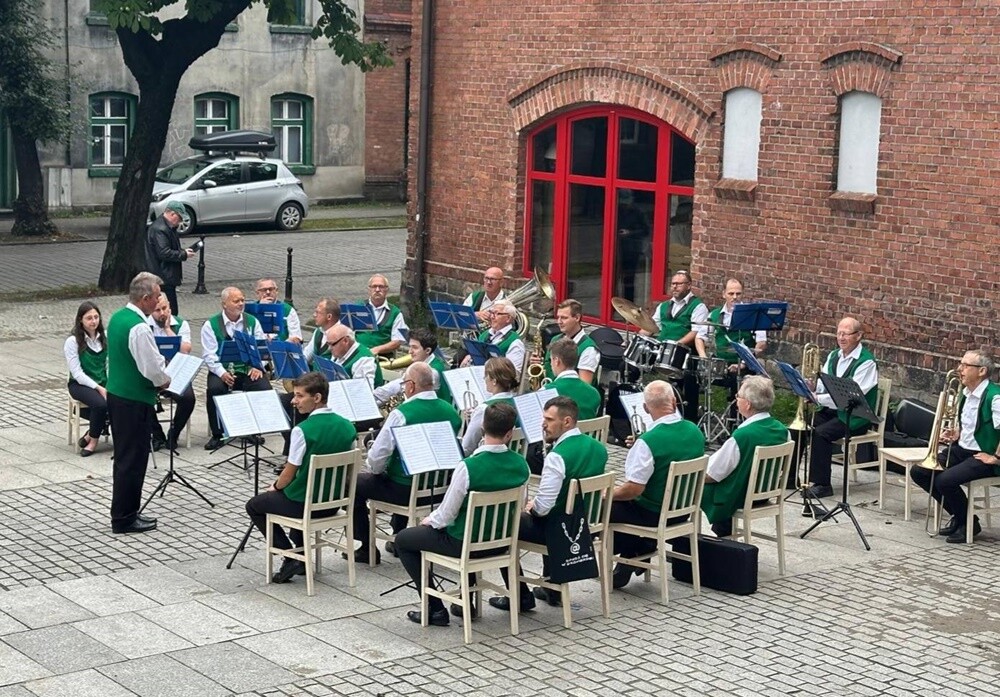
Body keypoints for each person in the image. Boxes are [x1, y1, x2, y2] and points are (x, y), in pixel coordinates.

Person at [395, 402, 530, 626]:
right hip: (502, 544)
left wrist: (430, 520)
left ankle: (434, 609)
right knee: (470, 524)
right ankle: (467, 599)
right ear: (509, 434)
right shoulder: (522, 465)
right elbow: (521, 505)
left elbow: (447, 514)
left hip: (464, 544)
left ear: (482, 429)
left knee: (403, 539)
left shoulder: (468, 467)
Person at [491, 396, 608, 611]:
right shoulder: (598, 448)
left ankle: (519, 595)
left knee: (502, 525)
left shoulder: (558, 456)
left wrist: (532, 508)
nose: (543, 424)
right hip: (587, 525)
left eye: (549, 419)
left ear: (567, 422)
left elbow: (543, 508)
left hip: (561, 531)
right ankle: (551, 587)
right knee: (549, 512)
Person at [245, 372, 357, 582]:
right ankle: (300, 555)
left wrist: (275, 486)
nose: (294, 401)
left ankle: (291, 557)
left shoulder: (302, 430)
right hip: (333, 503)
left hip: (305, 504)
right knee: (286, 497)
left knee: (254, 505)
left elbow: (288, 474)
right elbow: (351, 470)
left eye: (299, 396)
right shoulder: (348, 426)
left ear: (317, 398)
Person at [348, 362, 462, 564]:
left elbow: (376, 460)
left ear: (411, 386)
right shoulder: (451, 412)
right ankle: (398, 536)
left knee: (354, 483)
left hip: (406, 490)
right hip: (441, 490)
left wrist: (375, 463)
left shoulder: (401, 414)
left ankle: (366, 547)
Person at [610, 381, 705, 589]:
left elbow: (634, 489)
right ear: (674, 401)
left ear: (645, 408)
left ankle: (635, 550)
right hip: (682, 511)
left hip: (653, 512)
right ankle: (637, 551)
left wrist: (608, 494)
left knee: (604, 508)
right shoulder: (695, 431)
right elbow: (673, 449)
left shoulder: (648, 441)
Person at [105, 272, 171, 534]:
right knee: (133, 459)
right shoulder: (139, 327)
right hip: (134, 399)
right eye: (156, 296)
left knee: (124, 457)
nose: (159, 301)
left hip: (117, 394)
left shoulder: (118, 317)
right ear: (145, 298)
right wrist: (164, 380)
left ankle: (125, 512)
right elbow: (151, 367)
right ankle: (125, 517)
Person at [911, 350, 1000, 543]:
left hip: (984, 454)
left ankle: (965, 522)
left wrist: (996, 457)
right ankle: (964, 518)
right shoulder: (965, 393)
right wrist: (957, 433)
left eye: (966, 365)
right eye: (961, 364)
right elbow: (972, 424)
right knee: (919, 472)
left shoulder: (995, 397)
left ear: (982, 371)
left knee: (945, 481)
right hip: (962, 448)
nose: (960, 369)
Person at [701, 376, 789, 538]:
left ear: (747, 404)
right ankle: (722, 531)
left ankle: (691, 539)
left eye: (738, 396)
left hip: (740, 495)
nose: (736, 400)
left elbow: (713, 474)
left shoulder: (742, 436)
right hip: (765, 492)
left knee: (690, 486)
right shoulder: (782, 430)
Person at [805, 317, 878, 499]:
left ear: (858, 336)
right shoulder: (833, 356)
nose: (841, 338)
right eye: (838, 333)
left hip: (855, 416)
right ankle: (791, 477)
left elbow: (848, 398)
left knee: (821, 433)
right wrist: (814, 388)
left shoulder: (866, 362)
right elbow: (824, 384)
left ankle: (822, 484)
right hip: (833, 410)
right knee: (801, 426)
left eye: (846, 334)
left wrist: (817, 399)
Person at [201, 287, 272, 451]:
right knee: (214, 389)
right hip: (222, 370)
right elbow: (209, 355)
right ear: (224, 304)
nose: (241, 304)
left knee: (263, 388)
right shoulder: (210, 325)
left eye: (242, 300)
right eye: (236, 301)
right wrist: (222, 373)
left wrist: (257, 366)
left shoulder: (252, 322)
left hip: (248, 369)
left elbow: (262, 348)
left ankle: (253, 430)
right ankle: (217, 434)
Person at [526, 339, 602, 474]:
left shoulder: (546, 391)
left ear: (556, 361)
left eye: (550, 361)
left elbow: (539, 428)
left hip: (559, 452)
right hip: (587, 451)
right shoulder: (594, 393)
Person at [649, 270, 707, 422]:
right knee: (630, 366)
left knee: (688, 380)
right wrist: (638, 336)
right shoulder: (664, 306)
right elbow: (651, 326)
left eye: (679, 284)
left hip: (684, 353)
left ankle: (688, 417)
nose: (674, 287)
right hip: (661, 349)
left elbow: (696, 332)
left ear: (689, 285)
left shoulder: (698, 306)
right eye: (673, 284)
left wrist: (676, 344)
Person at [694, 278, 768, 397]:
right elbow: (699, 337)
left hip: (744, 365)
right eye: (731, 293)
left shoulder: (753, 315)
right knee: (690, 374)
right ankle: (691, 408)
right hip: (720, 364)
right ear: (724, 294)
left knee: (736, 380)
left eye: (738, 294)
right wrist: (703, 357)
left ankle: (736, 408)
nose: (735, 297)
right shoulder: (714, 314)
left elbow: (762, 343)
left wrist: (743, 363)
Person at [147, 293, 196, 453]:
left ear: (169, 307)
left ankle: (173, 434)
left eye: (165, 308)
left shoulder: (181, 324)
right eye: (157, 310)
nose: (162, 313)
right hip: (152, 373)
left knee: (188, 398)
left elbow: (185, 350)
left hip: (176, 372)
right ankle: (157, 435)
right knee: (141, 396)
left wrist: (168, 329)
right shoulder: (144, 325)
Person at [64, 301, 108, 457]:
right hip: (80, 384)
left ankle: (90, 433)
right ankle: (93, 441)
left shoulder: (105, 337)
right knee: (100, 405)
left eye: (96, 317)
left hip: (103, 381)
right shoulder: (72, 341)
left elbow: (109, 364)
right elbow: (77, 373)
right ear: (80, 320)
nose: (93, 321)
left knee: (120, 401)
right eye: (89, 318)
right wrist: (98, 388)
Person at [374, 328, 451, 406]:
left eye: (415, 347)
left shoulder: (432, 371)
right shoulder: (427, 361)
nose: (410, 351)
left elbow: (403, 386)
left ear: (428, 350)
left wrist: (376, 397)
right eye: (410, 347)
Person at [144, 201, 195, 315]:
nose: (180, 221)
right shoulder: (161, 229)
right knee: (170, 311)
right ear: (172, 214)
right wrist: (183, 254)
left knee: (169, 310)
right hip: (163, 277)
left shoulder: (165, 227)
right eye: (179, 218)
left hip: (163, 275)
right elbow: (164, 253)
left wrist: (182, 252)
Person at [461, 357, 519, 455]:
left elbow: (467, 447)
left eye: (486, 376)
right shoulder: (520, 403)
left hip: (487, 458)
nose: (484, 379)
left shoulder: (485, 409)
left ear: (494, 381)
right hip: (514, 456)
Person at [461, 299, 526, 380]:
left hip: (497, 384)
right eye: (491, 313)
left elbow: (514, 373)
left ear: (508, 318)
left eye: (496, 313)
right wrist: (470, 356)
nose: (491, 317)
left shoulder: (515, 342)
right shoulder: (485, 334)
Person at [540, 299, 600, 385]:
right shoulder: (555, 339)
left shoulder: (589, 349)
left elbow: (584, 386)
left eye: (564, 318)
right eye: (558, 317)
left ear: (577, 318)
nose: (559, 322)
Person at [355, 274, 408, 357]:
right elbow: (346, 333)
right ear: (369, 289)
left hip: (383, 358)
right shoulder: (357, 307)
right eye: (374, 286)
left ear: (387, 290)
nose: (377, 290)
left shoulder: (396, 313)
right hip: (359, 355)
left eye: (381, 287)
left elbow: (398, 341)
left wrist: (377, 349)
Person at [328, 324, 385, 388]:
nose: (329, 348)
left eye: (332, 344)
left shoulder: (364, 360)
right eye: (328, 344)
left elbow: (362, 391)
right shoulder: (339, 352)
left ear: (346, 341)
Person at [254, 278, 302, 343]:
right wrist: (261, 308)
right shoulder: (252, 309)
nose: (268, 292)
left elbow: (295, 336)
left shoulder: (287, 310)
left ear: (276, 291)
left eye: (271, 289)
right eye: (264, 290)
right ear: (257, 293)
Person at [302, 297, 341, 367]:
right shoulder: (318, 331)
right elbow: (307, 355)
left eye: (318, 312)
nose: (314, 315)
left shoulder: (341, 337)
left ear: (329, 317)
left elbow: (335, 366)